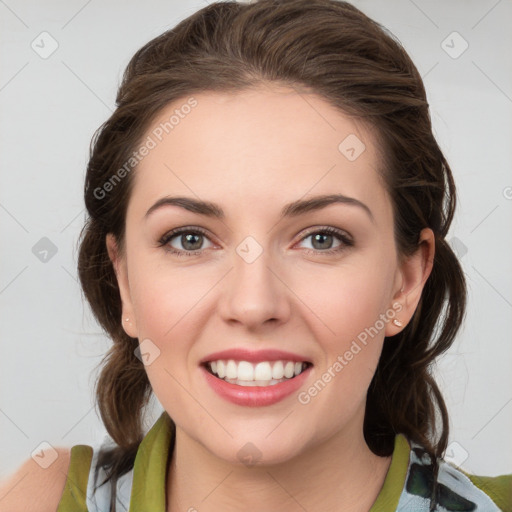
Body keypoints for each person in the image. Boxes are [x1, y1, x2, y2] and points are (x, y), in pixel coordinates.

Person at [1, 0, 510, 510]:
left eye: (321, 238)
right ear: (125, 280)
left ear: (405, 283)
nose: (253, 303)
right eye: (190, 239)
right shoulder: (38, 499)